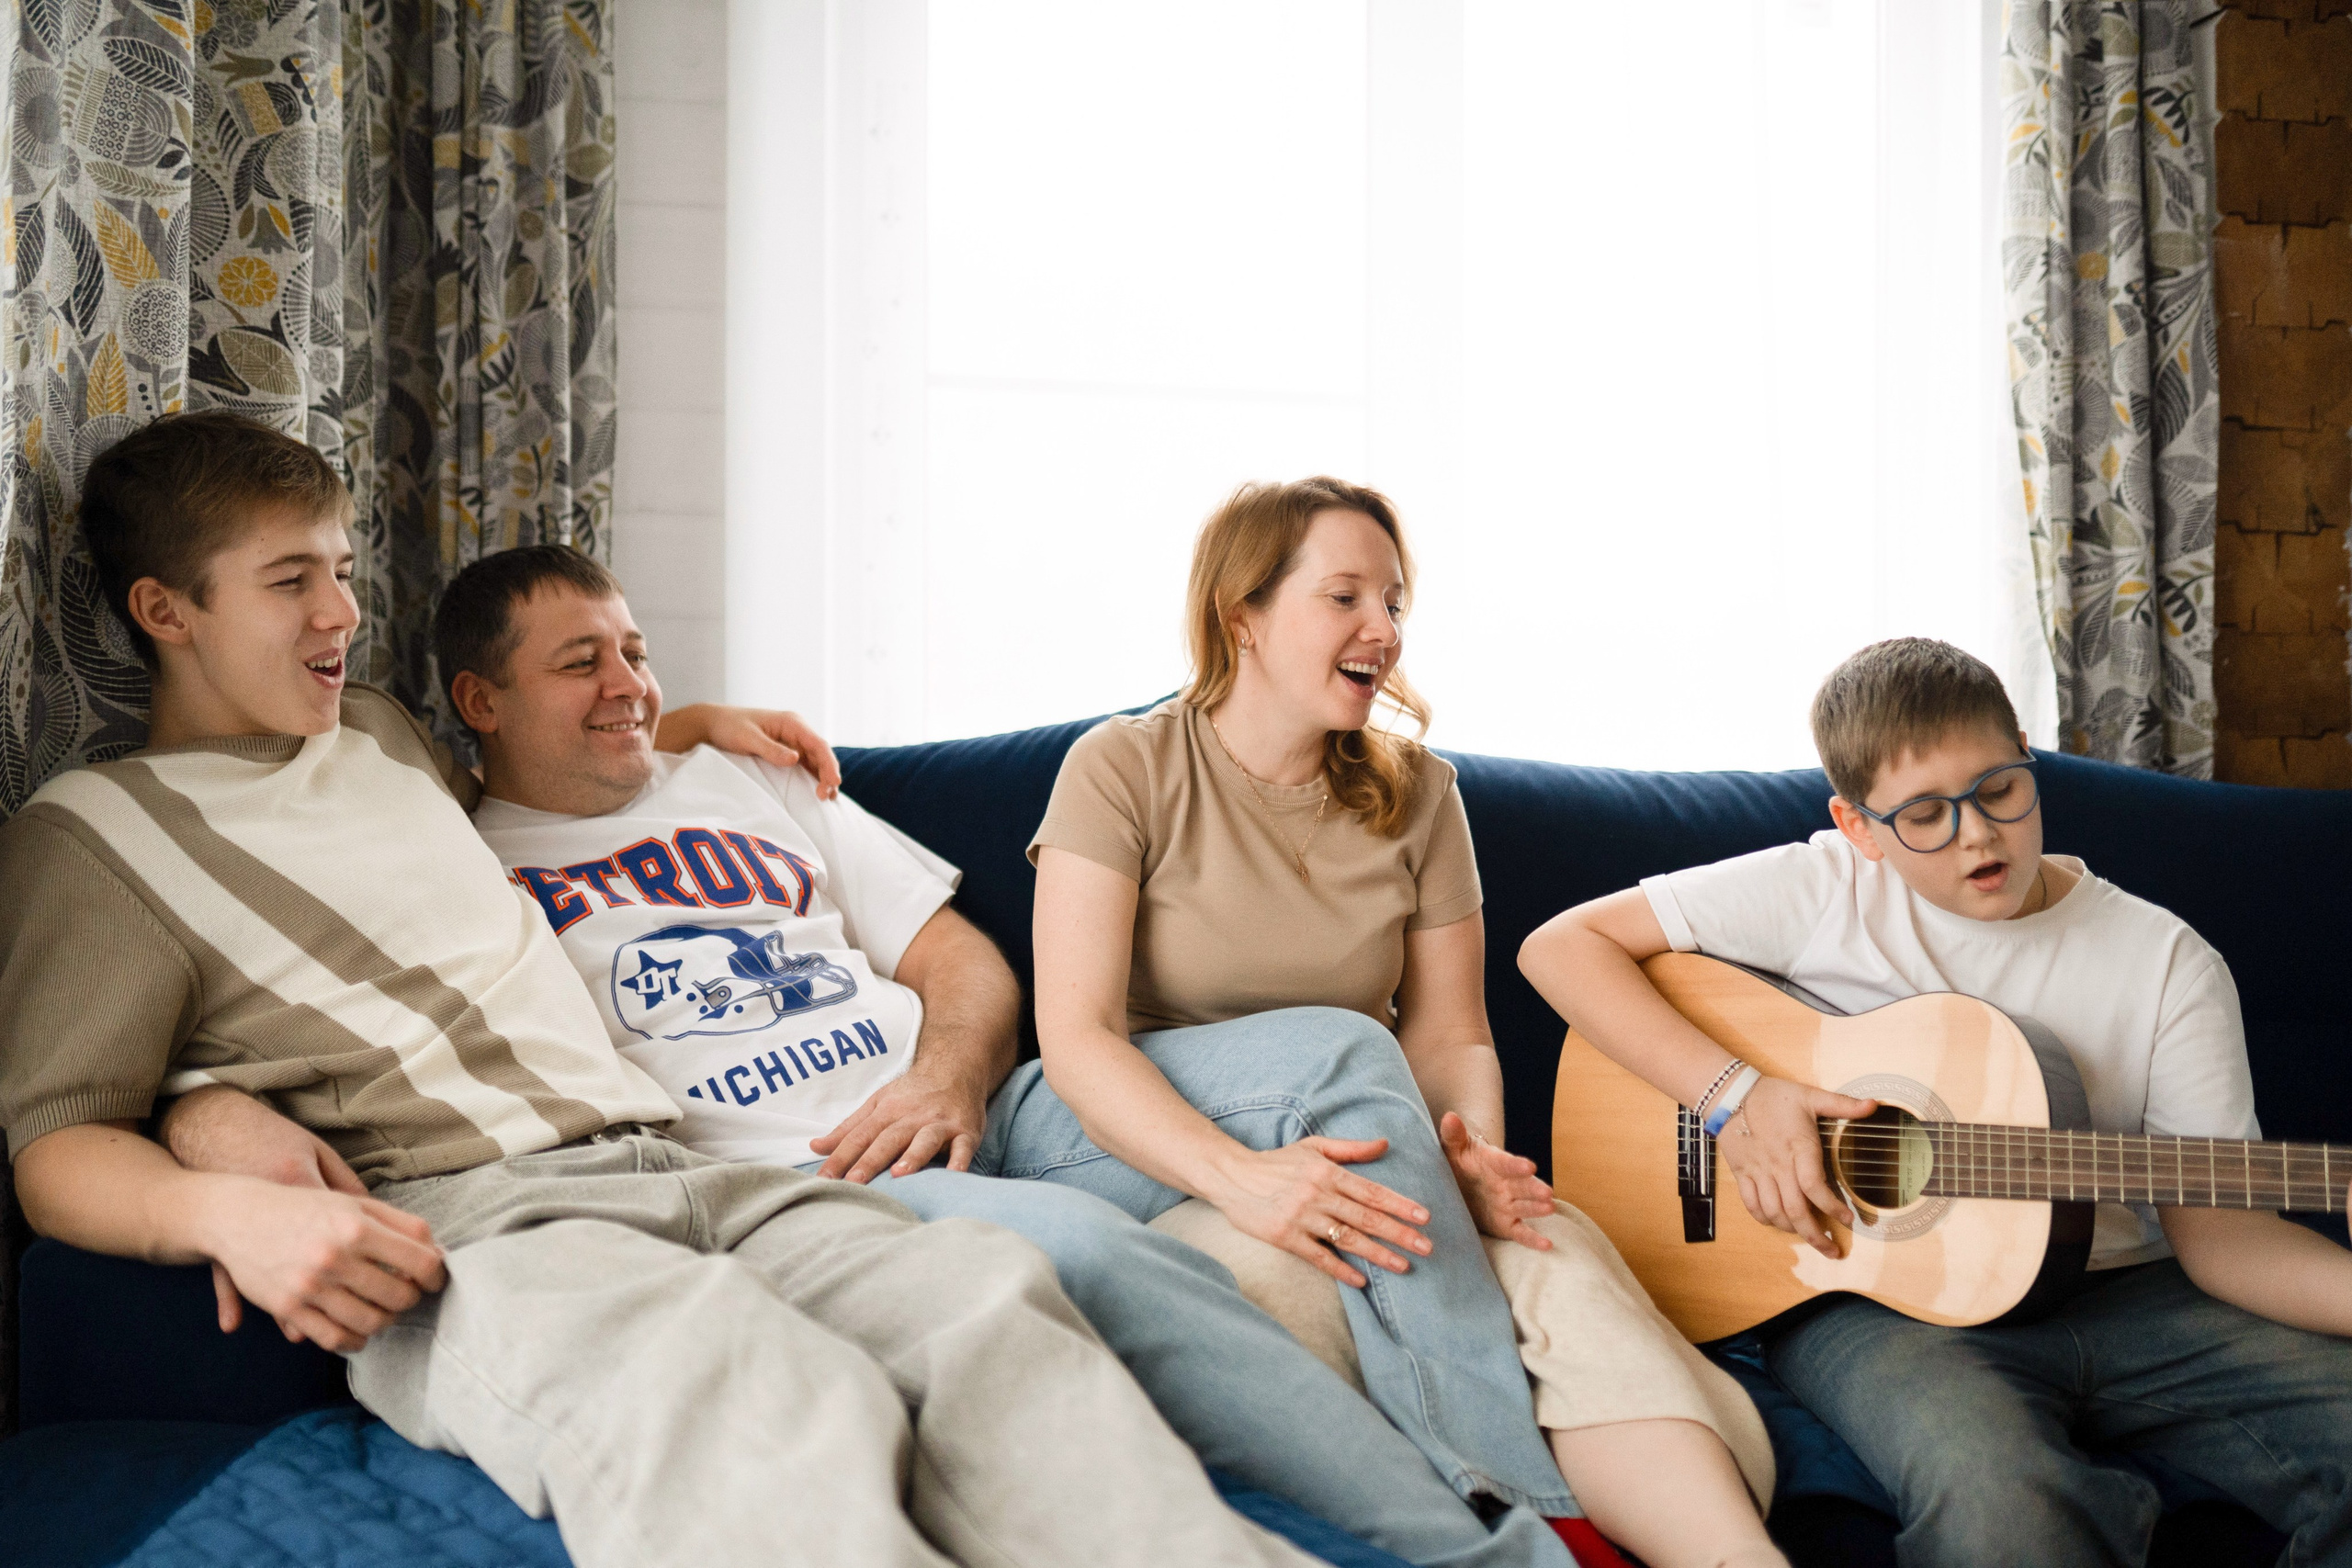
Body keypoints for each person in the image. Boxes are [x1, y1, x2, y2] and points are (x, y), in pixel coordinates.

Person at [0, 411, 1328, 1568]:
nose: (343, 611)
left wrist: (680, 726)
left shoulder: (388, 739)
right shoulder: (96, 834)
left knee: (991, 1312)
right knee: (767, 1397)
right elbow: (56, 1137)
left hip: (685, 1161)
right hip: (479, 1224)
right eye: (292, 580)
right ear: (165, 610)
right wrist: (214, 1185)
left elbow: (539, 792)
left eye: (342, 571)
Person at [336, 538, 1565, 1568]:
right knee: (1095, 1255)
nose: (630, 686)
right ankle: (1475, 1550)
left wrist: (946, 1075)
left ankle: (1524, 1489)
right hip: (836, 1177)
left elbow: (965, 962)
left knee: (1342, 1050)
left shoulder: (747, 781)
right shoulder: (454, 859)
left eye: (638, 652)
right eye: (579, 662)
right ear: (481, 701)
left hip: (1003, 1105)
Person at [1017, 479, 1781, 1568]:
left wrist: (1462, 1154)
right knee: (1342, 1045)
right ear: (1243, 615)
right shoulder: (1124, 765)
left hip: (1351, 1143)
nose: (1383, 629)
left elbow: (1451, 1037)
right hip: (1110, 1139)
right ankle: (1519, 1506)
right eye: (1344, 597)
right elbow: (1078, 1039)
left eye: (1395, 599)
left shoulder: (1420, 793)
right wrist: (1246, 1179)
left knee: (1542, 1245)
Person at [1517, 636, 2352, 1567]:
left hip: (2135, 1298)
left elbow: (2227, 1239)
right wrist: (1735, 1099)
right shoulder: (1824, 888)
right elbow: (1558, 947)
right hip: (1877, 1303)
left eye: (1998, 789)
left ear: (2027, 756)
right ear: (1857, 826)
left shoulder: (2166, 964)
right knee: (2003, 1500)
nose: (1977, 835)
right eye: (1923, 814)